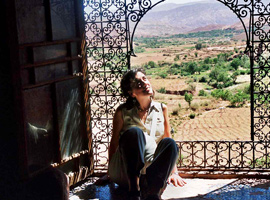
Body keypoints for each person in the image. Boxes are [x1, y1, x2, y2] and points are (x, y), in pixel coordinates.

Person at [108, 68, 186, 200]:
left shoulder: (162, 108)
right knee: (134, 133)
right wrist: (109, 172)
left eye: (145, 79)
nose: (145, 83)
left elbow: (167, 138)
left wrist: (174, 172)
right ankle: (134, 190)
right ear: (131, 93)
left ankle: (153, 192)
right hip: (127, 173)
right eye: (138, 82)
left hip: (152, 173)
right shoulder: (122, 112)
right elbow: (114, 142)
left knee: (170, 143)